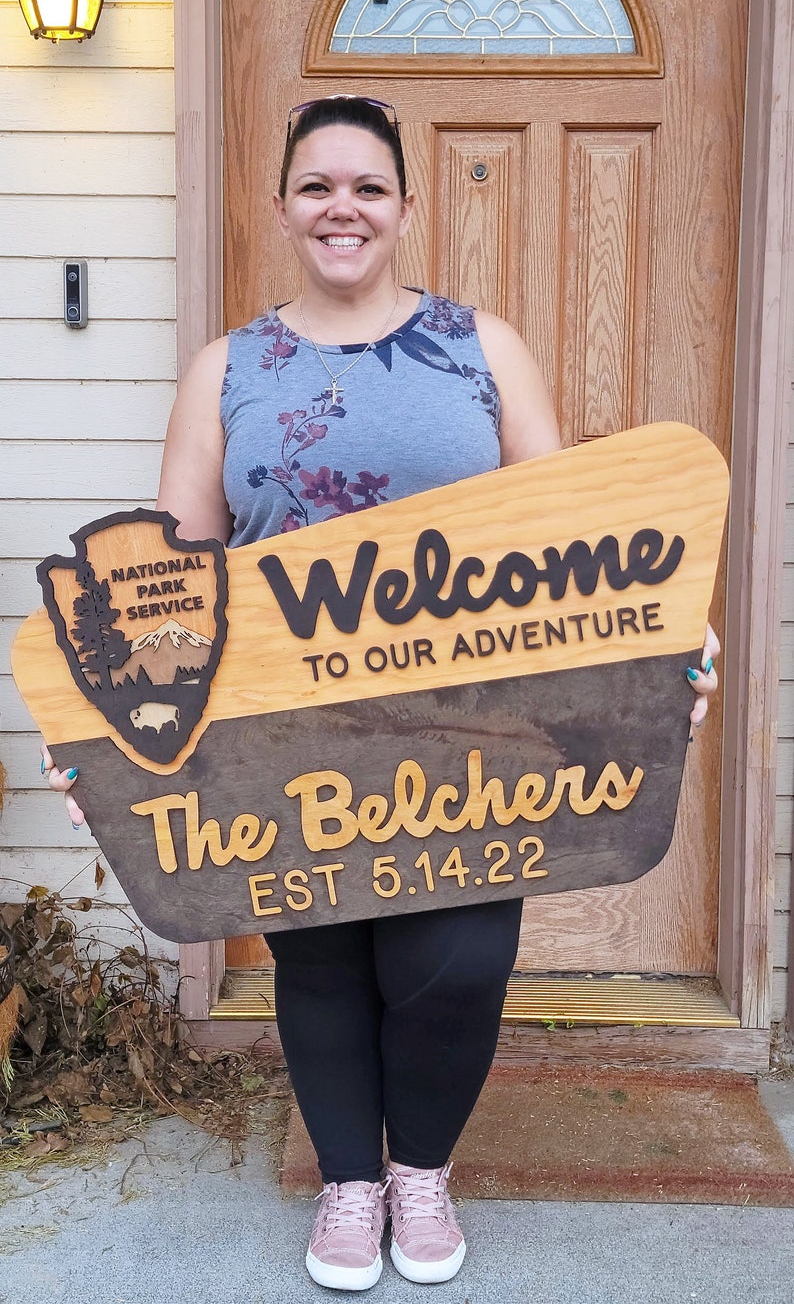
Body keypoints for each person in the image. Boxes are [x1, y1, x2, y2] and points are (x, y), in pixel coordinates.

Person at [42, 94, 720, 1292]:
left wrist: (659, 642)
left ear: (404, 208)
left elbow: (565, 531)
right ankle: (351, 1183)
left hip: (476, 728)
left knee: (457, 960)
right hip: (286, 734)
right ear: (282, 206)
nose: (340, 207)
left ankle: (421, 1168)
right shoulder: (229, 369)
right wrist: (110, 732)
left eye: (364, 187)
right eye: (316, 185)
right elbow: (171, 578)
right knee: (320, 963)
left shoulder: (478, 347)